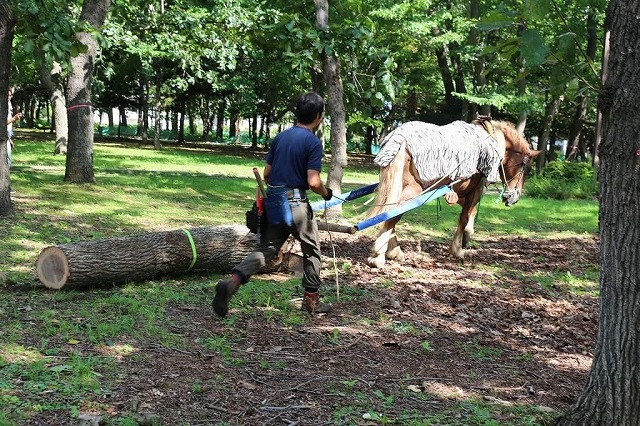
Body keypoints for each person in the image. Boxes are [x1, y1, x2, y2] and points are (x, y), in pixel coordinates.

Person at [213, 92, 334, 317]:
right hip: (296, 204)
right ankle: (311, 301)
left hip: (274, 202)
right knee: (313, 250)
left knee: (266, 250)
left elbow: (267, 173)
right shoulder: (313, 142)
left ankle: (233, 282)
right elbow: (313, 181)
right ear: (318, 116)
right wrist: (326, 193)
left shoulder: (280, 138)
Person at [6, 89, 21, 193]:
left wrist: (10, 138)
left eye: (11, 95)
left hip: (7, 137)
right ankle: (5, 186)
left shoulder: (8, 104)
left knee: (8, 161)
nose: (10, 97)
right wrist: (14, 118)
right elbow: (2, 122)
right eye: (8, 95)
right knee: (6, 162)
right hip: (3, 139)